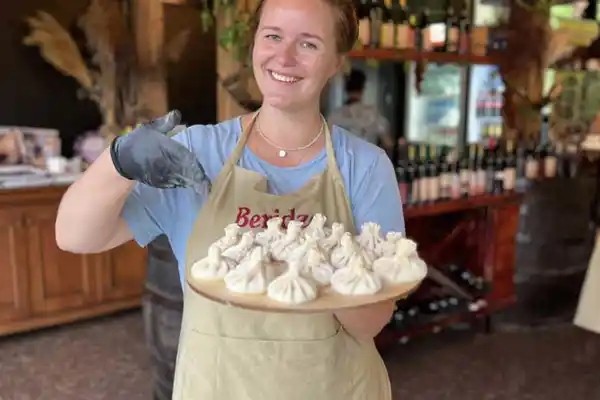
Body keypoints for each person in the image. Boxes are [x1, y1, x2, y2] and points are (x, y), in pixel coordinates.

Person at [55, 0, 404, 398]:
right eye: (272, 36)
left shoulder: (365, 167)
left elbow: (371, 322)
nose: (284, 57)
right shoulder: (195, 153)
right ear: (254, 44)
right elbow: (74, 236)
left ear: (336, 62)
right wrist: (119, 161)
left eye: (309, 43)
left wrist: (313, 258)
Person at [328, 68, 395, 154]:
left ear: (345, 88)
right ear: (363, 88)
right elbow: (388, 143)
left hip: (340, 161)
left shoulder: (335, 116)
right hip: (369, 159)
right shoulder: (373, 115)